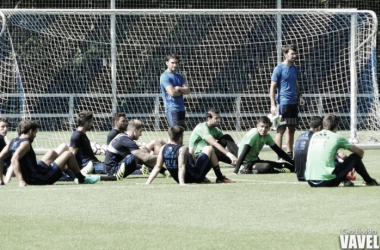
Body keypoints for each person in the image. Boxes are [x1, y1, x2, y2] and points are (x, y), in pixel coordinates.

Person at [0, 119, 99, 186]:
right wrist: (21, 181)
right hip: (39, 178)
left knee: (51, 153)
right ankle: (82, 178)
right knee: (68, 154)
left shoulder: (13, 141)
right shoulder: (25, 143)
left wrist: (0, 179)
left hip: (36, 172)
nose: (35, 136)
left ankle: (74, 175)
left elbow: (0, 157)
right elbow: (14, 159)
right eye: (35, 132)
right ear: (30, 131)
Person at [305, 114, 378, 187]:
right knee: (355, 157)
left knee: (336, 159)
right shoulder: (337, 138)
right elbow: (360, 152)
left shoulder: (314, 135)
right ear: (336, 126)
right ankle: (369, 181)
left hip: (310, 181)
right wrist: (351, 165)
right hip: (326, 181)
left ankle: (346, 180)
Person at [146, 126, 233, 185]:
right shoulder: (183, 148)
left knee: (191, 150)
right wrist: (182, 183)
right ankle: (220, 177)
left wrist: (147, 183)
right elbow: (181, 166)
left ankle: (205, 177)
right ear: (180, 138)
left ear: (169, 137)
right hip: (193, 177)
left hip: (178, 178)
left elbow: (157, 167)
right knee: (209, 148)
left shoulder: (163, 148)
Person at [269, 44, 305, 160]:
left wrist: (300, 96)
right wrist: (273, 105)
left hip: (293, 104)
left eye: (295, 53)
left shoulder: (295, 68)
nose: (294, 56)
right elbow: (272, 88)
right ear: (285, 55)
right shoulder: (278, 69)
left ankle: (289, 155)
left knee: (292, 129)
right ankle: (279, 156)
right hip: (282, 104)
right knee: (281, 129)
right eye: (292, 54)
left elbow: (295, 83)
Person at [160, 54, 190, 128]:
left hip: (181, 108)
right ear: (167, 63)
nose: (175, 65)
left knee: (181, 132)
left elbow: (188, 91)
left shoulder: (179, 76)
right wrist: (182, 90)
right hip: (172, 108)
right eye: (172, 63)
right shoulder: (164, 76)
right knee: (175, 132)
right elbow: (172, 93)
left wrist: (178, 88)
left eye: (176, 63)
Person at [293, 116, 322, 181]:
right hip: (310, 176)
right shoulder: (316, 137)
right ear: (319, 127)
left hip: (299, 175)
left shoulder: (300, 136)